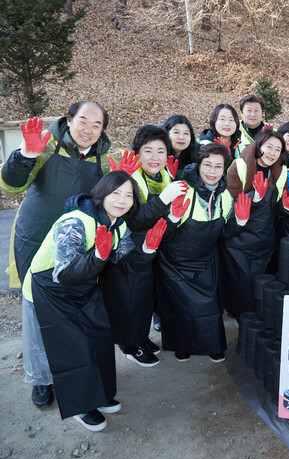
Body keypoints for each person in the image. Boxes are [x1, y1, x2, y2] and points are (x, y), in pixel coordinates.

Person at [22, 170, 167, 431]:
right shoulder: (75, 222)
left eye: (129, 195)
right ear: (101, 193)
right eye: (116, 193)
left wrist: (147, 249)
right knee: (74, 348)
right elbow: (64, 273)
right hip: (50, 289)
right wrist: (98, 256)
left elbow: (124, 263)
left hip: (85, 285)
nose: (122, 200)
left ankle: (100, 394)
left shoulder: (118, 224)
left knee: (99, 337)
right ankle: (82, 406)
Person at [0, 102, 111, 408]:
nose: (88, 130)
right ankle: (41, 377)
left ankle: (71, 370)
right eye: (83, 121)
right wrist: (24, 156)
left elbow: (111, 199)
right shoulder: (47, 145)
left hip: (76, 244)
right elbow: (11, 186)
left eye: (97, 125)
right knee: (36, 308)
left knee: (72, 307)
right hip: (36, 237)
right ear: (69, 120)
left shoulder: (103, 158)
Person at [100, 126, 188, 367]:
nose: (154, 157)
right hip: (126, 250)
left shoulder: (163, 175)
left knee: (144, 298)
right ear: (137, 153)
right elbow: (133, 220)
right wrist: (164, 198)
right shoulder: (129, 177)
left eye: (161, 151)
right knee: (129, 298)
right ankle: (130, 345)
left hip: (148, 248)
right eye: (148, 151)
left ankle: (140, 337)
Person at [155, 144, 250, 363]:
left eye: (218, 166)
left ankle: (212, 345)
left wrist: (240, 222)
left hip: (205, 260)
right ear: (198, 165)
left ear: (224, 169)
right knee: (178, 307)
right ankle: (181, 346)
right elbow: (163, 235)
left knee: (209, 306)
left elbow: (223, 233)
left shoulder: (225, 197)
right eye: (207, 165)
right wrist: (173, 219)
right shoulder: (182, 191)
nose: (212, 171)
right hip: (174, 263)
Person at [221, 130, 288, 318]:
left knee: (259, 282)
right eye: (269, 147)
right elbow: (229, 202)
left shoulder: (280, 172)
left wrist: (287, 208)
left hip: (264, 237)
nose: (272, 153)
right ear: (259, 146)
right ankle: (239, 315)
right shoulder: (240, 166)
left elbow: (278, 208)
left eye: (277, 149)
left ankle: (254, 315)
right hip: (239, 237)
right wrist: (254, 198)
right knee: (240, 282)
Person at [163, 115, 199, 179]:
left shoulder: (196, 152)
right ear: (166, 133)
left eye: (186, 133)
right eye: (176, 132)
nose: (181, 137)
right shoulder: (158, 154)